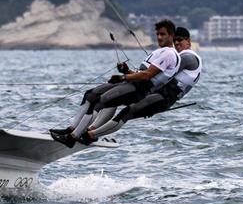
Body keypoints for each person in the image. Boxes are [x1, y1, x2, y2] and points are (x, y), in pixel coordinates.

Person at [49, 19, 180, 147]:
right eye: (157, 34)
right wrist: (126, 71)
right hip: (132, 83)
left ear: (171, 36)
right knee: (91, 95)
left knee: (100, 101)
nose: (159, 37)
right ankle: (72, 129)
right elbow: (140, 72)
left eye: (162, 34)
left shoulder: (170, 54)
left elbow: (147, 75)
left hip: (139, 89)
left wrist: (123, 78)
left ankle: (72, 138)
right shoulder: (158, 52)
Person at [80, 27, 202, 141]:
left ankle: (90, 135)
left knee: (127, 112)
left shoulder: (186, 58)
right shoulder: (180, 57)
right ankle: (91, 129)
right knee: (115, 100)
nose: (176, 43)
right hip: (156, 93)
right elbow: (152, 77)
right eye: (174, 40)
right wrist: (127, 72)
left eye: (180, 40)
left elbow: (150, 76)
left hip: (163, 97)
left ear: (188, 41)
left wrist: (126, 76)